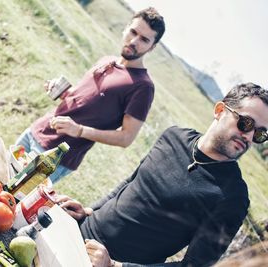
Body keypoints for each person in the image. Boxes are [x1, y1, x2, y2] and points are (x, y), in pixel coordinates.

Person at [56, 83, 268, 267]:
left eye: (259, 133)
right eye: (246, 123)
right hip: (78, 231)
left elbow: (193, 265)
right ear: (220, 110)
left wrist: (115, 265)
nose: (248, 136)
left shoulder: (233, 197)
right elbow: (131, 183)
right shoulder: (173, 136)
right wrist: (88, 210)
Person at [15, 7, 165, 183]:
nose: (134, 41)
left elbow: (126, 138)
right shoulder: (106, 60)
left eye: (144, 39)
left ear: (152, 47)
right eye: (133, 32)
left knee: (12, 199)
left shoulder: (143, 86)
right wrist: (63, 92)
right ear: (126, 28)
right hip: (36, 131)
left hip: (56, 155)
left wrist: (79, 130)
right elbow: (87, 101)